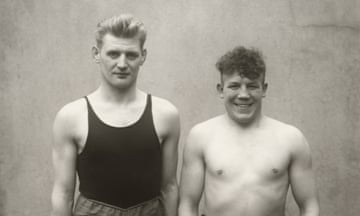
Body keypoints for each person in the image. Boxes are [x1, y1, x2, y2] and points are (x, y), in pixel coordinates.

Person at [51, 14, 180, 216]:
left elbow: (170, 187)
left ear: (143, 56)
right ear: (96, 54)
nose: (122, 64)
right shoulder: (71, 116)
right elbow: (63, 193)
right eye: (113, 54)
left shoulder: (165, 114)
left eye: (131, 55)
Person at [179, 46, 319, 216]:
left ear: (264, 89)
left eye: (252, 86)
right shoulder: (200, 136)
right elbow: (187, 204)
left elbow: (309, 204)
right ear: (220, 90)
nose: (243, 94)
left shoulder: (291, 138)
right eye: (234, 86)